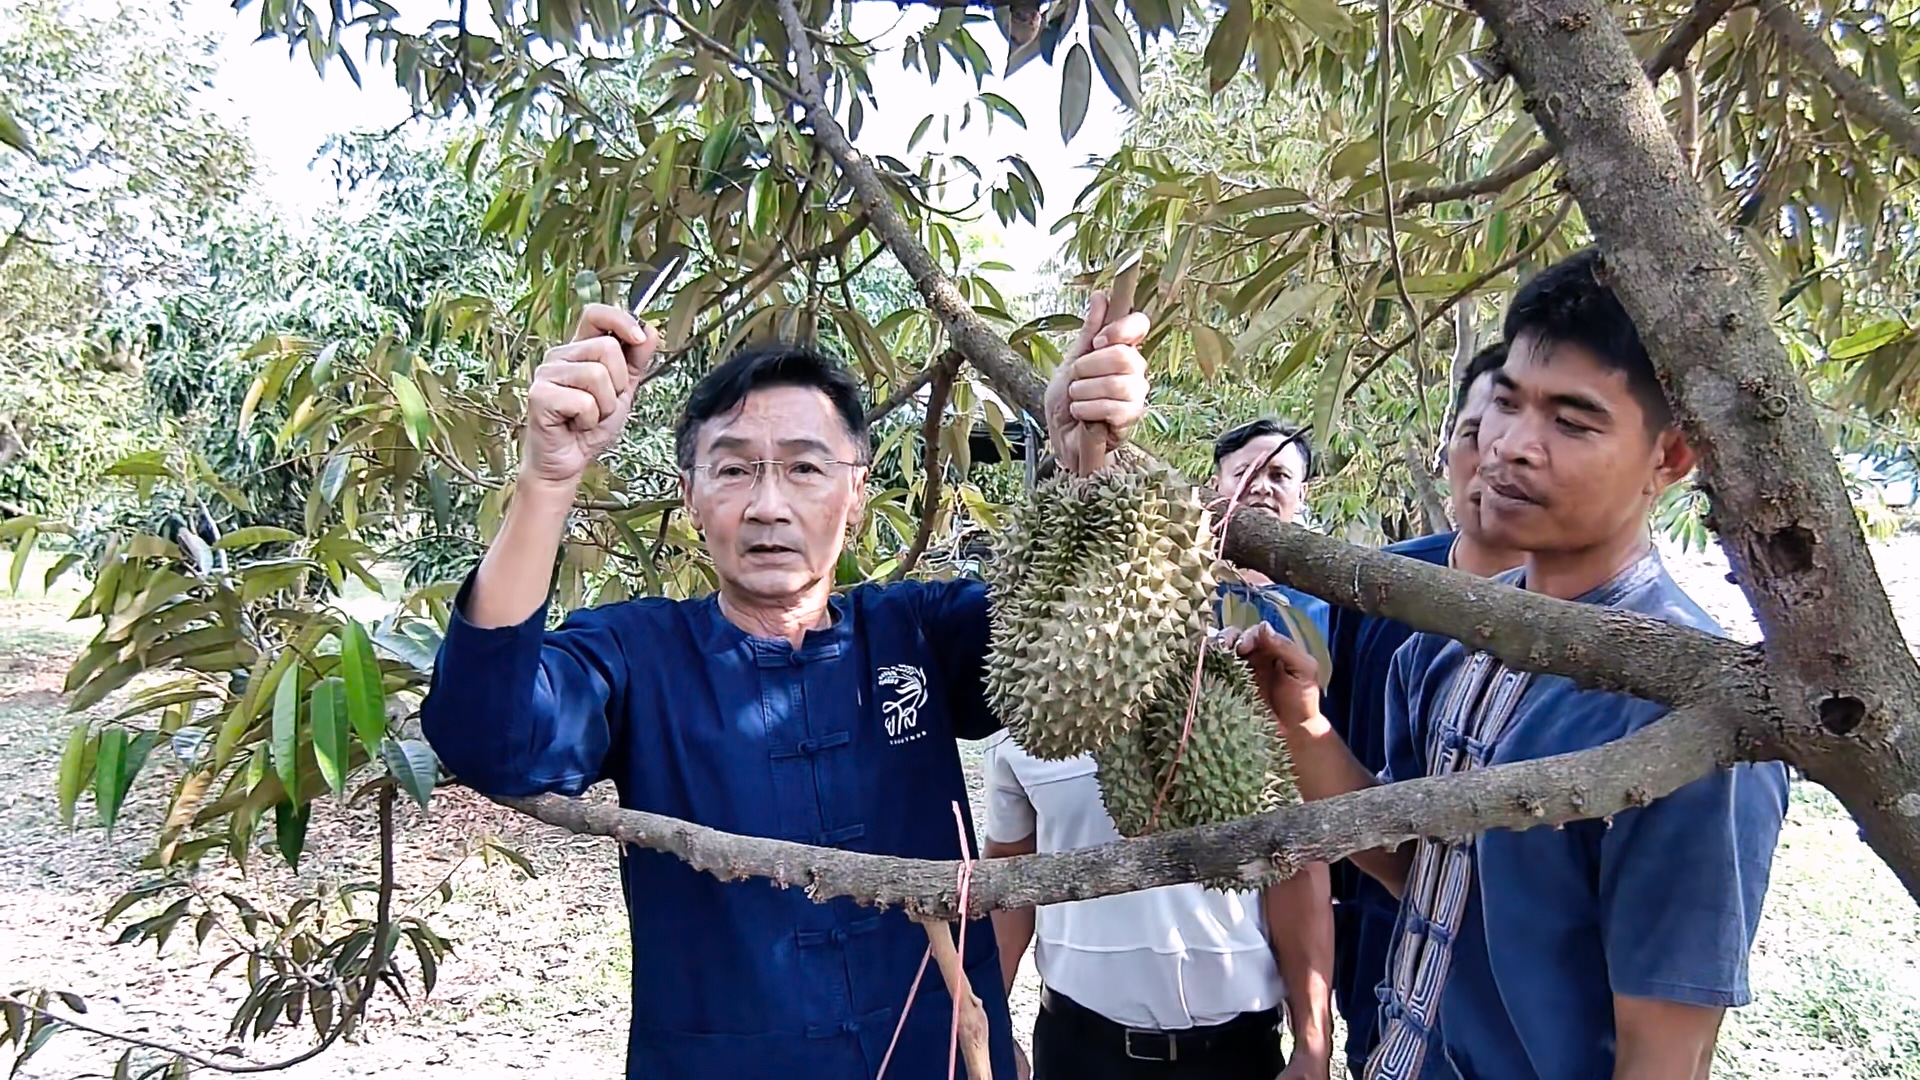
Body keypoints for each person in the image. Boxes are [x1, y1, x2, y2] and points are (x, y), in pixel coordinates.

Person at [418, 292, 1151, 1078]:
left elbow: (1072, 649)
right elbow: (491, 739)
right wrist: (548, 477)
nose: (769, 505)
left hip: (936, 1054)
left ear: (858, 494)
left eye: (805, 467)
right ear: (691, 497)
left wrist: (1084, 470)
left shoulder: (920, 630)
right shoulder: (638, 653)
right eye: (733, 469)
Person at [1221, 249, 1790, 1079]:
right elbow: (1429, 872)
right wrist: (1304, 727)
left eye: (1573, 420)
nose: (1514, 447)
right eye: (1511, 404)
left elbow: (1666, 1050)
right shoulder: (1449, 643)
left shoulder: (1686, 721)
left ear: (1670, 457)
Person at [974, 418, 1342, 1080]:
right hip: (1078, 1047)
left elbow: (1294, 871)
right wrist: (987, 1027)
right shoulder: (1026, 712)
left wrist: (1314, 1042)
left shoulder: (1248, 684)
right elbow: (1009, 880)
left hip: (1236, 1051)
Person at [1320, 341, 1524, 1075]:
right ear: (1445, 452)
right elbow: (1351, 784)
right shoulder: (1383, 588)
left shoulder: (1629, 658)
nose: (1499, 461)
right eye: (1477, 436)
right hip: (1385, 967)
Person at [1210, 418, 1332, 641]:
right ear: (1214, 486)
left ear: (1302, 493)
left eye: (1279, 476)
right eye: (1244, 474)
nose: (1262, 487)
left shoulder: (1328, 603)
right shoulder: (1176, 583)